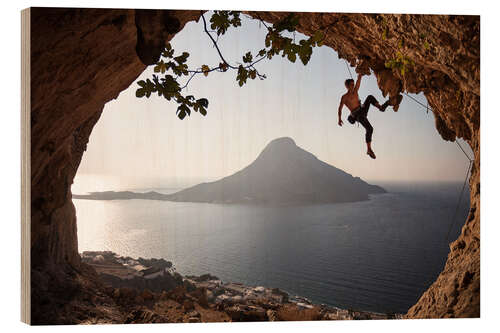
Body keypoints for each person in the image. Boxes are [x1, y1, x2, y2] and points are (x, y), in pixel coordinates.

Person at [337, 73, 392, 159]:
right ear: (347, 86)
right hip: (357, 115)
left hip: (362, 109)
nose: (353, 86)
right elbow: (340, 108)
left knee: (369, 97)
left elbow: (359, 80)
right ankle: (369, 149)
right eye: (351, 85)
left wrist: (360, 73)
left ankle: (381, 107)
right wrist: (339, 119)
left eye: (353, 84)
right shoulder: (344, 97)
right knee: (370, 129)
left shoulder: (355, 91)